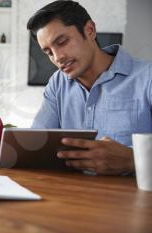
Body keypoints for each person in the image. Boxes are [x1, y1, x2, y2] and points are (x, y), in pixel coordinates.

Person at [27, 0, 152, 175]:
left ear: (90, 30)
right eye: (48, 52)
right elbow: (36, 146)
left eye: (62, 42)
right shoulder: (57, 83)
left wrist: (133, 160)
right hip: (73, 196)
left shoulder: (147, 77)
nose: (57, 57)